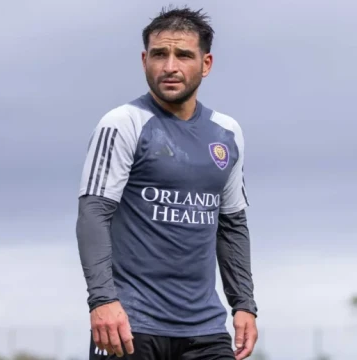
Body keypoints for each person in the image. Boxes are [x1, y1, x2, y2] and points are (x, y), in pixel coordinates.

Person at [75, 6, 258, 360]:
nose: (170, 66)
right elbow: (93, 214)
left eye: (183, 55)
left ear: (206, 64)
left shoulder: (227, 133)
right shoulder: (123, 123)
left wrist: (244, 303)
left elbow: (232, 224)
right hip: (128, 326)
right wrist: (102, 300)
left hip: (205, 329)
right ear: (145, 60)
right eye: (159, 54)